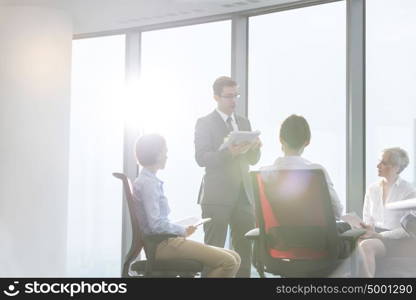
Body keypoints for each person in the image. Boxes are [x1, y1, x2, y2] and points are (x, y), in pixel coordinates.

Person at [133, 134, 241, 278]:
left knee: (235, 257)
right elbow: (155, 225)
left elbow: (156, 222)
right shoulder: (148, 184)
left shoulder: (148, 180)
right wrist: (182, 230)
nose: (166, 156)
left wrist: (181, 228)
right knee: (229, 262)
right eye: (165, 151)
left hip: (166, 242)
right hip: (163, 246)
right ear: (158, 155)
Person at [194, 76, 261, 277]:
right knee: (214, 255)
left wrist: (254, 148)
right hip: (217, 198)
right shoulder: (205, 123)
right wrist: (228, 153)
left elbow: (252, 160)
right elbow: (201, 157)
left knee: (244, 256)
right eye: (229, 96)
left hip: (243, 197)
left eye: (236, 95)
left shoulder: (243, 122)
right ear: (216, 97)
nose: (234, 101)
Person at [260, 114, 343, 219]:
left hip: (278, 234)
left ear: (280, 139)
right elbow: (337, 211)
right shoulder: (316, 171)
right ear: (307, 142)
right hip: (316, 234)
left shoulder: (265, 173)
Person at [358, 147, 416, 277]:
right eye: (379, 161)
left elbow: (408, 228)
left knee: (366, 246)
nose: (378, 165)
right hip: (375, 233)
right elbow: (368, 219)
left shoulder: (409, 191)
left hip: (397, 238)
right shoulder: (372, 189)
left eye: (384, 163)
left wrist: (382, 236)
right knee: (352, 244)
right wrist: (367, 230)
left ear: (396, 167)